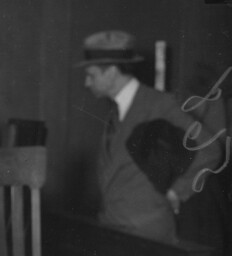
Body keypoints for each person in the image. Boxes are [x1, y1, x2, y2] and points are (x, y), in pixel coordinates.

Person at [78, 30, 221, 242]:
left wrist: (177, 192)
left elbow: (210, 149)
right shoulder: (116, 112)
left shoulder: (158, 104)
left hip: (147, 237)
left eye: (91, 75)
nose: (86, 83)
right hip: (113, 230)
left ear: (111, 72)